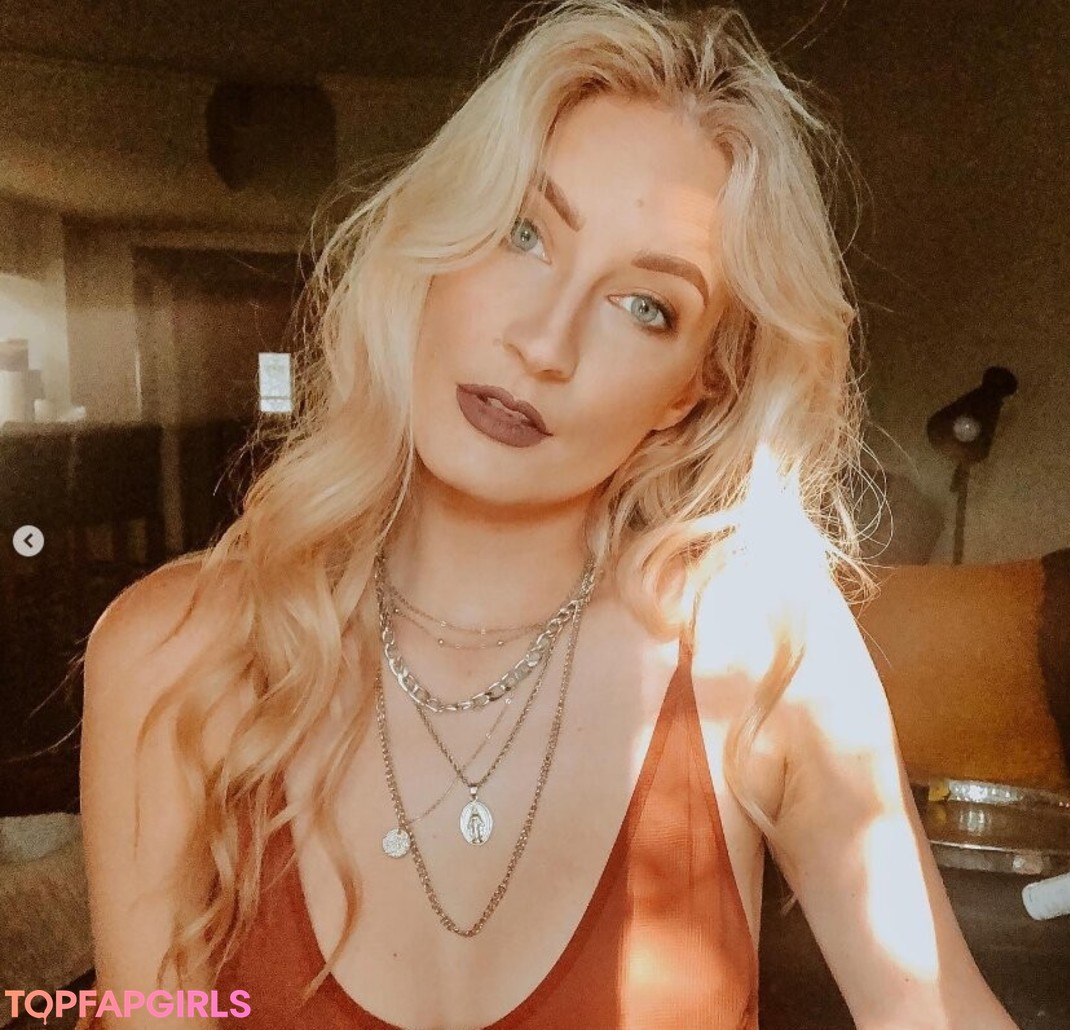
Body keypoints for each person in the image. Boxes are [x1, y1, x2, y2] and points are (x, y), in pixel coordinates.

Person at [79, 2, 1019, 1027]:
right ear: (437, 241)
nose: (544, 342)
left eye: (646, 305)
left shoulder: (760, 651)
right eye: (522, 233)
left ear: (692, 389)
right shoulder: (174, 653)